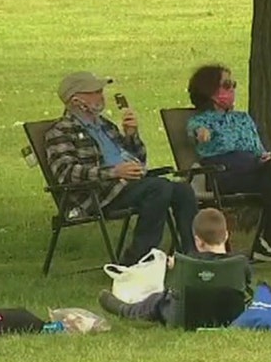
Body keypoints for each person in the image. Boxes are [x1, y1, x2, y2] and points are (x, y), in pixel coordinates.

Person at [45, 72, 197, 264]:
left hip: (129, 184)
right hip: (100, 192)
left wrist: (131, 136)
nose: (102, 96)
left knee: (182, 189)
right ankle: (138, 259)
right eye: (96, 92)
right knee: (158, 188)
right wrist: (114, 172)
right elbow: (66, 173)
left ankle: (194, 255)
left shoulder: (106, 126)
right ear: (76, 100)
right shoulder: (60, 131)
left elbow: (140, 161)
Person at [185, 65, 271, 263]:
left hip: (252, 169)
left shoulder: (243, 118)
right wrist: (201, 134)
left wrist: (264, 158)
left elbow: (258, 150)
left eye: (233, 84)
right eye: (226, 85)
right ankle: (269, 240)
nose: (232, 89)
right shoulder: (201, 120)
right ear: (210, 91)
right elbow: (195, 133)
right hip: (223, 173)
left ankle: (269, 238)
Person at [97, 208, 252, 323]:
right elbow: (246, 285)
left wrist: (173, 268)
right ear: (226, 235)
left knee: (157, 299)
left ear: (197, 240)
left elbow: (174, 288)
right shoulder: (239, 262)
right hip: (229, 316)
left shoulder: (186, 263)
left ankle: (125, 310)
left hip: (185, 317)